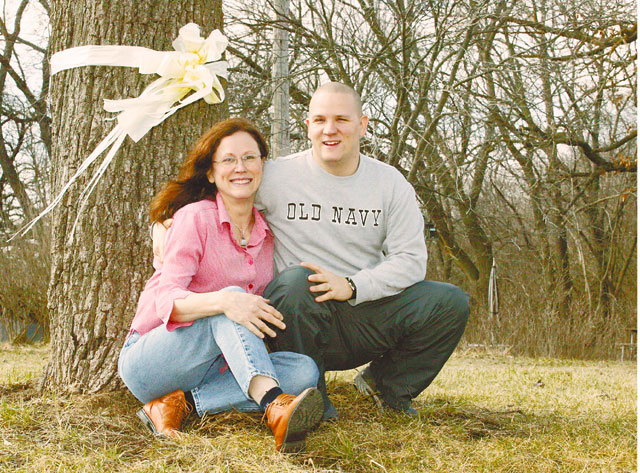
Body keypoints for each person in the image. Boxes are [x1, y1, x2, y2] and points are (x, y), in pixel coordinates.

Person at [154, 83, 470, 420]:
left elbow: (411, 260)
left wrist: (352, 285)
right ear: (308, 127)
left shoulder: (390, 183)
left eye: (341, 120)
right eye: (319, 120)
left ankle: (384, 387)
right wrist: (161, 224)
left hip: (363, 312)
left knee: (450, 302)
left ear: (362, 125)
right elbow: (219, 192)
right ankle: (310, 400)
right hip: (295, 316)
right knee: (297, 281)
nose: (329, 130)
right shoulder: (277, 176)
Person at [119, 118, 323, 453]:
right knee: (232, 299)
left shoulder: (268, 234)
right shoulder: (194, 218)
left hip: (218, 366)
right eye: (228, 159)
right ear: (212, 173)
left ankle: (179, 404)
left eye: (249, 158)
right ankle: (274, 404)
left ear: (262, 165)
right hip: (154, 359)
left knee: (303, 372)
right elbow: (166, 300)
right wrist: (225, 302)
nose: (240, 168)